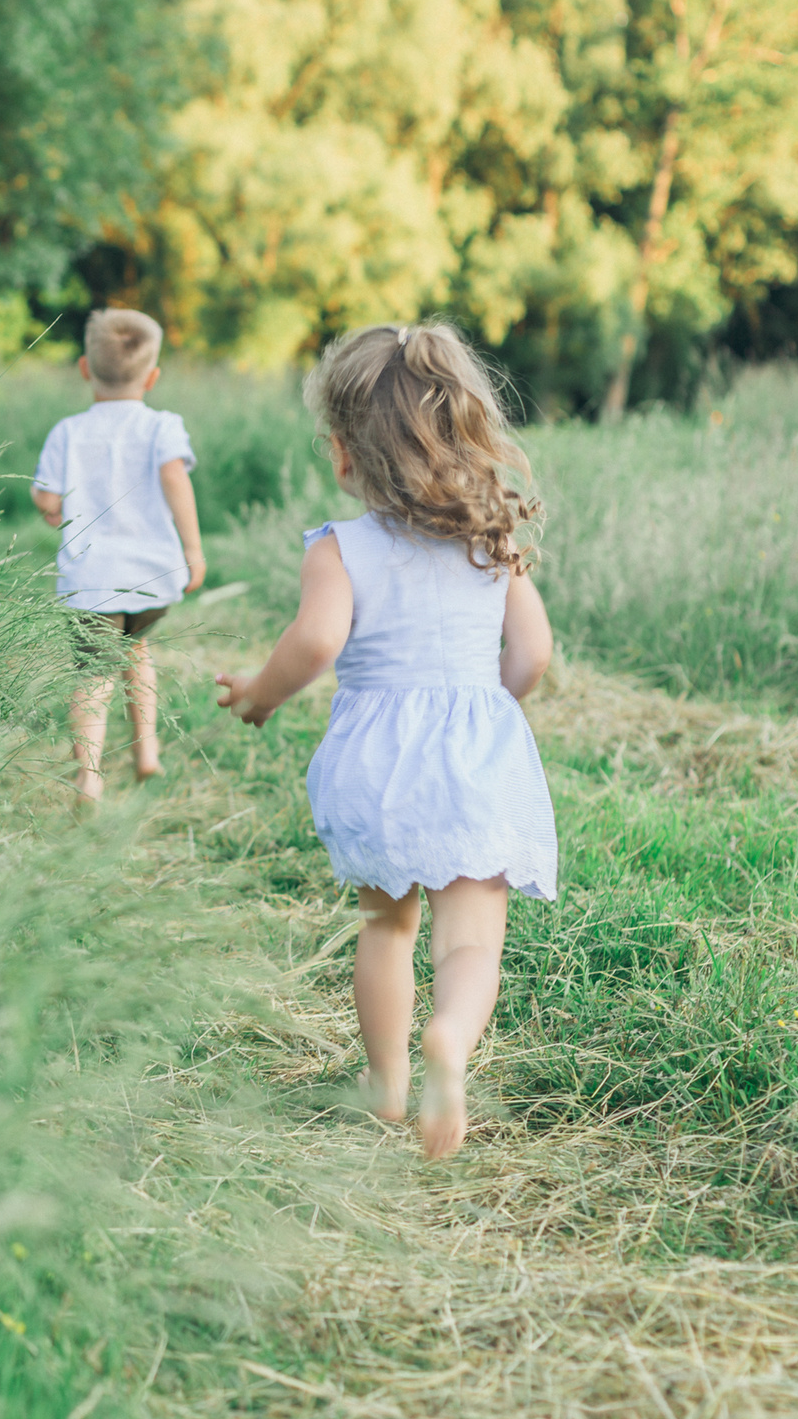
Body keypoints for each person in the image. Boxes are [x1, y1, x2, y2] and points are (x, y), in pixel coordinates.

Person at [215, 322, 556, 1159]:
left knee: (387, 926)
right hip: (475, 755)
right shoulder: (492, 538)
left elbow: (316, 644)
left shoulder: (339, 548)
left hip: (379, 763)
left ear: (341, 452)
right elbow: (535, 653)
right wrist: (493, 702)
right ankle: (451, 1040)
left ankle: (387, 1085)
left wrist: (260, 694)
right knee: (472, 940)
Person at [32, 308, 206, 802]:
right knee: (137, 650)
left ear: (85, 369)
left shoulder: (67, 432)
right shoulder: (162, 426)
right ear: (152, 377)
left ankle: (89, 776)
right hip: (153, 578)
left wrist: (54, 507)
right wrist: (193, 550)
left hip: (92, 580)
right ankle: (146, 750)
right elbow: (176, 480)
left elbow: (46, 499)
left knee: (92, 674)